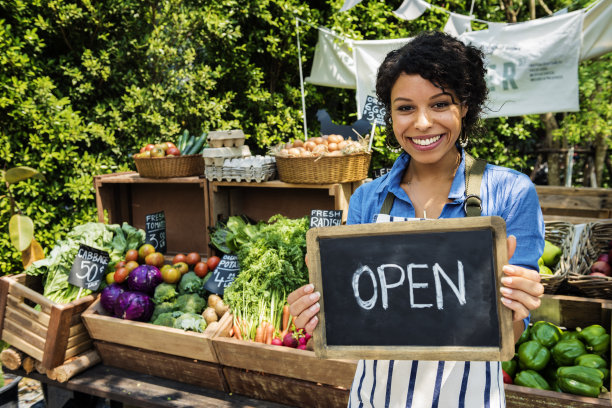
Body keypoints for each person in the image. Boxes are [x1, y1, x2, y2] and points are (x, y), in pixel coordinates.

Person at [287, 30, 545, 407]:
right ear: (390, 115)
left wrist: (519, 304)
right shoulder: (366, 199)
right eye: (405, 108)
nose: (422, 123)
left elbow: (514, 328)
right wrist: (316, 312)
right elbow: (354, 314)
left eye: (440, 104)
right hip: (376, 398)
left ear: (465, 106)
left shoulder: (510, 192)